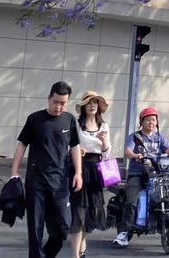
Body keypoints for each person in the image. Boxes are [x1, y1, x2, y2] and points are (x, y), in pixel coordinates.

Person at [11, 81, 82, 258]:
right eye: (55, 102)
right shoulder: (35, 119)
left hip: (60, 183)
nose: (58, 106)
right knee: (35, 228)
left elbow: (75, 147)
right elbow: (22, 145)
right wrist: (14, 171)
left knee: (63, 226)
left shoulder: (70, 120)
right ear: (49, 98)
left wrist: (79, 173)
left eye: (63, 103)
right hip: (36, 182)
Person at [113, 107, 169, 248]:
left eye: (153, 120)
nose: (151, 122)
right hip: (138, 174)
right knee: (132, 201)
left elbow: (168, 149)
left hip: (158, 174)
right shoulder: (136, 137)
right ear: (142, 122)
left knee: (168, 197)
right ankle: (123, 233)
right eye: (148, 119)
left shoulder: (159, 137)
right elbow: (127, 151)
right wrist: (135, 155)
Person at [69, 91, 111, 258]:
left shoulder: (104, 126)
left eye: (95, 102)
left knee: (90, 215)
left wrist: (105, 142)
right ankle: (75, 255)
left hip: (96, 171)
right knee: (77, 213)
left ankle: (82, 248)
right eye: (89, 102)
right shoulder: (77, 125)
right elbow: (69, 146)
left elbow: (107, 155)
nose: (92, 105)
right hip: (79, 169)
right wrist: (78, 150)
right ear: (84, 106)